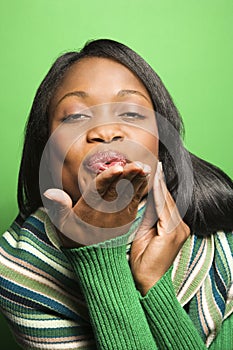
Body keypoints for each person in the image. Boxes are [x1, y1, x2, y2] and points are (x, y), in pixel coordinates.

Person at [0, 39, 232, 350]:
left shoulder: (222, 241)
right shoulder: (18, 270)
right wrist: (98, 253)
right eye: (76, 116)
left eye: (132, 114)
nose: (106, 131)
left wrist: (154, 286)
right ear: (46, 151)